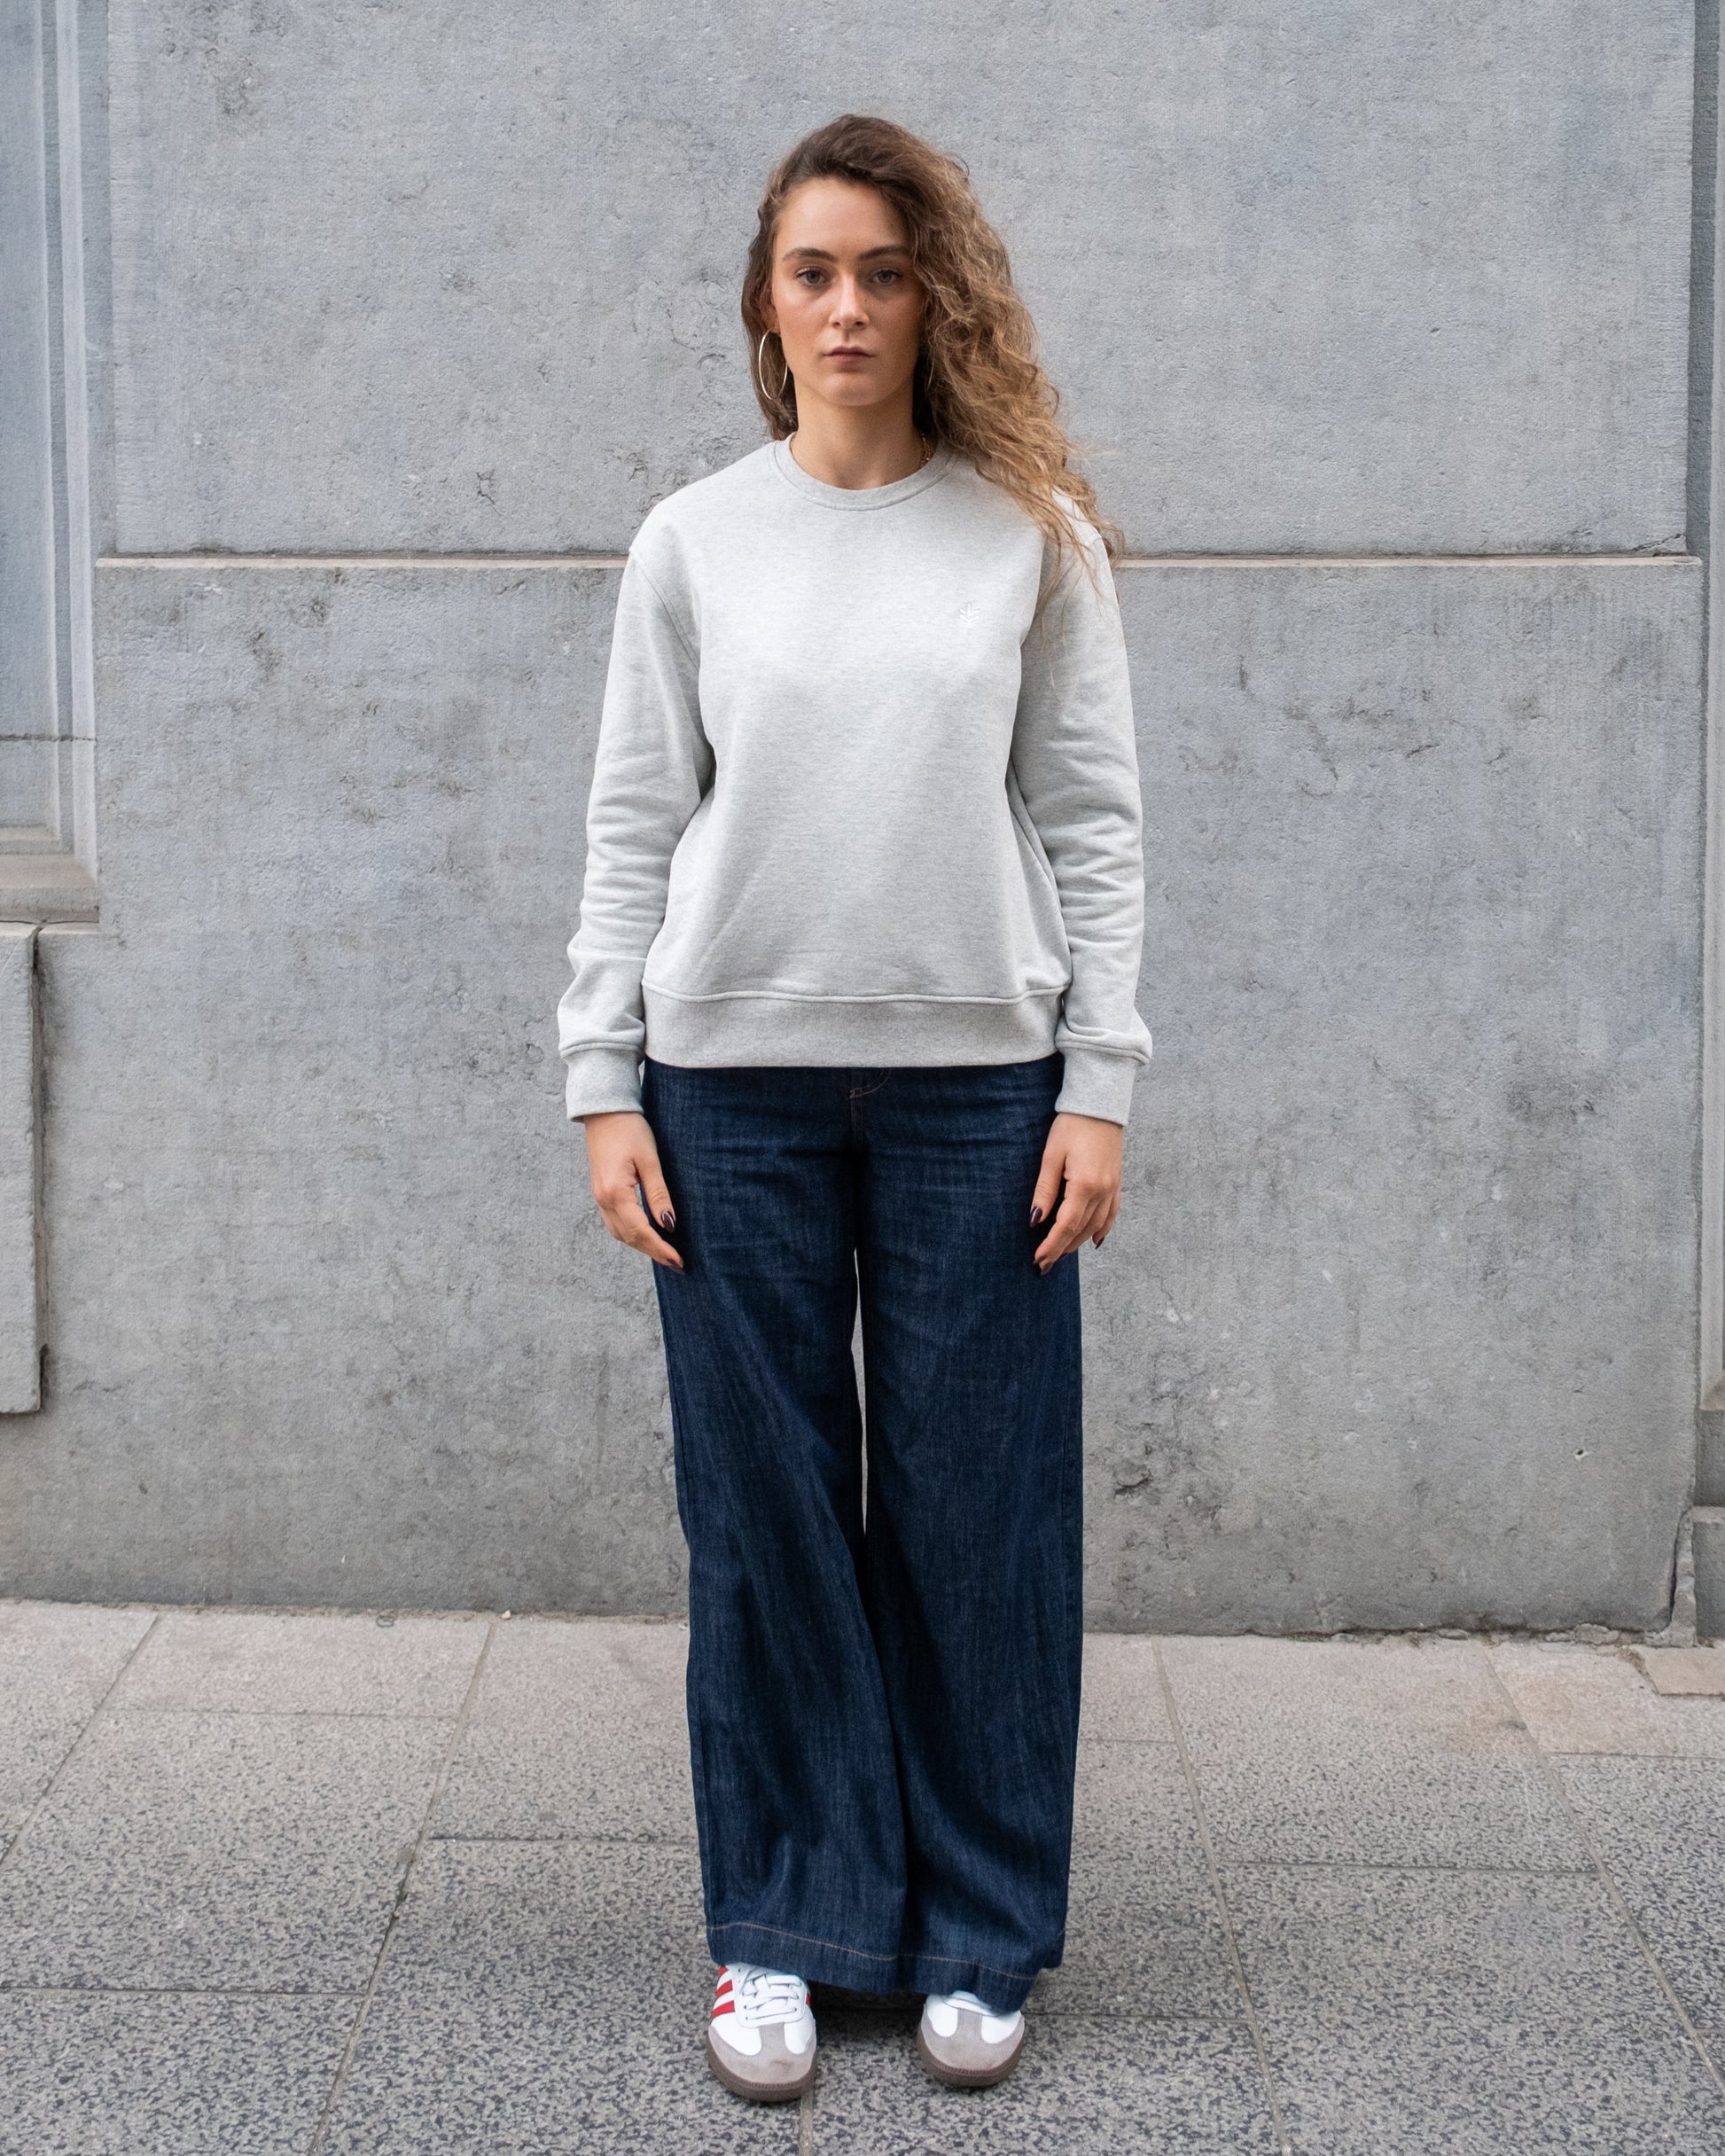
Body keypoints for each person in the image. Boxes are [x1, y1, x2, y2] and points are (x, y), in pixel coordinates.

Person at [558, 112, 1152, 2102]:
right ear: (765, 300)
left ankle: (976, 1927)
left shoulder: (1027, 538)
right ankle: (784, 1926)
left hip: (984, 1089)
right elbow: (634, 821)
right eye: (812, 272)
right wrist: (600, 1081)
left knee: (983, 1517)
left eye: (883, 272)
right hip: (722, 1091)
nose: (846, 308)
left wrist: (1098, 1083)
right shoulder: (692, 543)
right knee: (767, 1520)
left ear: (933, 297)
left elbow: (1092, 821)